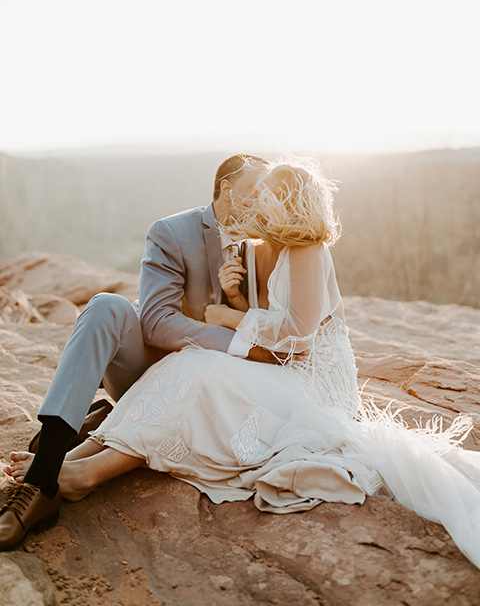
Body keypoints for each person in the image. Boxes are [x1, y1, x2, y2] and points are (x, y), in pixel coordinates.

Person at [7, 157, 480, 568]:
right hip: (267, 362)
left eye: (267, 196)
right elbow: (227, 317)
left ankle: (85, 472)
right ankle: (63, 459)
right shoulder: (250, 246)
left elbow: (297, 335)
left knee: (200, 373)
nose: (257, 204)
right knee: (190, 368)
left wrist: (226, 312)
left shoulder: (308, 247)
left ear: (286, 203)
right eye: (254, 194)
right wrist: (235, 295)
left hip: (315, 378)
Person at [0, 153, 270, 551]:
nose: (262, 205)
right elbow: (158, 322)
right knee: (106, 305)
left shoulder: (263, 245)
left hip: (216, 387)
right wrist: (236, 340)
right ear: (226, 189)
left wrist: (235, 309)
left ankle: (105, 419)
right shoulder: (172, 232)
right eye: (254, 193)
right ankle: (44, 481)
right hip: (151, 371)